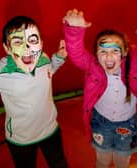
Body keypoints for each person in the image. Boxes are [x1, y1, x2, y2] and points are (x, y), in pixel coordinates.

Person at [0, 16, 68, 168]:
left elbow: (49, 70)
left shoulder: (44, 59)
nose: (27, 47)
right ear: (7, 48)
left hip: (50, 129)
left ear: (41, 42)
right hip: (21, 139)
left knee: (59, 164)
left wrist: (59, 58)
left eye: (33, 40)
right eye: (17, 42)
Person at [63, 9, 137, 168]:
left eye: (114, 51)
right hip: (101, 123)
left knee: (122, 161)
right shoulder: (93, 67)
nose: (108, 56)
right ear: (96, 54)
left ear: (124, 53)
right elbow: (76, 53)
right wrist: (74, 30)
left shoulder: (133, 68)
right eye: (103, 51)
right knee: (102, 160)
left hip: (128, 124)